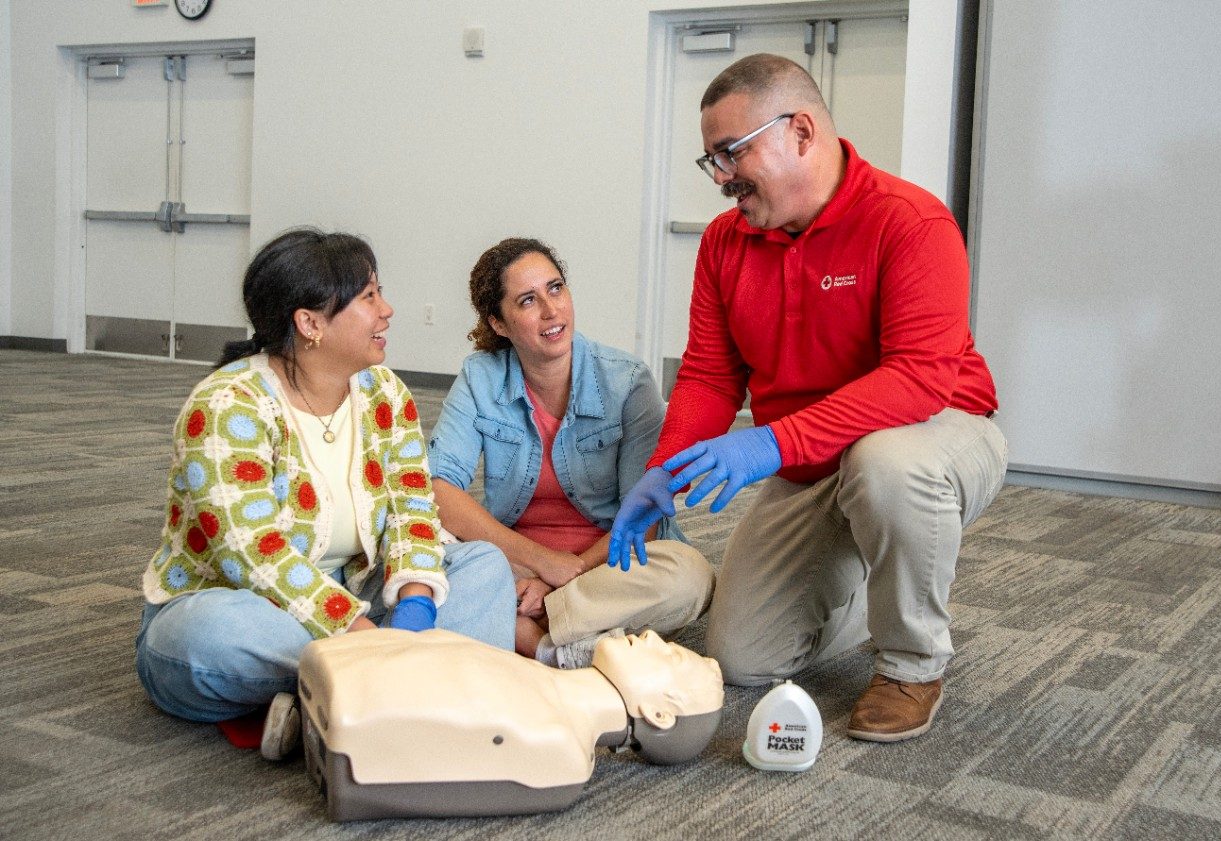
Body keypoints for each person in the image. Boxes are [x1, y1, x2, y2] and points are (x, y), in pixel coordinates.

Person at [609, 54, 1008, 742]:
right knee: (741, 658)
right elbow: (709, 373)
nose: (722, 179)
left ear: (800, 132)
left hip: (933, 430)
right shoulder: (724, 244)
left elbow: (917, 378)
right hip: (811, 458)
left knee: (888, 467)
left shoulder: (910, 222)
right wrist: (665, 470)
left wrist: (767, 442)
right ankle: (889, 575)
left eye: (731, 154)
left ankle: (913, 662)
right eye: (711, 162)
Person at [136, 228, 516, 759]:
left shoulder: (385, 393)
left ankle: (335, 702)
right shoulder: (227, 406)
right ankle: (409, 698)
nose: (387, 310)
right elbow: (251, 555)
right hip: (251, 609)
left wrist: (415, 601)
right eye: (368, 298)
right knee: (211, 632)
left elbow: (412, 509)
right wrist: (364, 633)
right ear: (310, 323)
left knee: (482, 567)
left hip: (354, 598)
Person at [428, 238, 714, 669]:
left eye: (556, 288)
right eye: (527, 300)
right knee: (417, 551)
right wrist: (541, 565)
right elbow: (438, 487)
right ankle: (570, 645)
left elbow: (645, 518)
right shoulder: (480, 377)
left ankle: (525, 633)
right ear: (499, 323)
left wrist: (567, 580)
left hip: (608, 567)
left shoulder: (627, 381)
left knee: (690, 576)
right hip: (514, 563)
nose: (551, 310)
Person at [300, 628, 724, 820]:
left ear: (659, 714)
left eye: (670, 656)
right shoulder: (539, 683)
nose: (651, 634)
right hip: (348, 676)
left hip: (354, 708)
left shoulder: (562, 751)